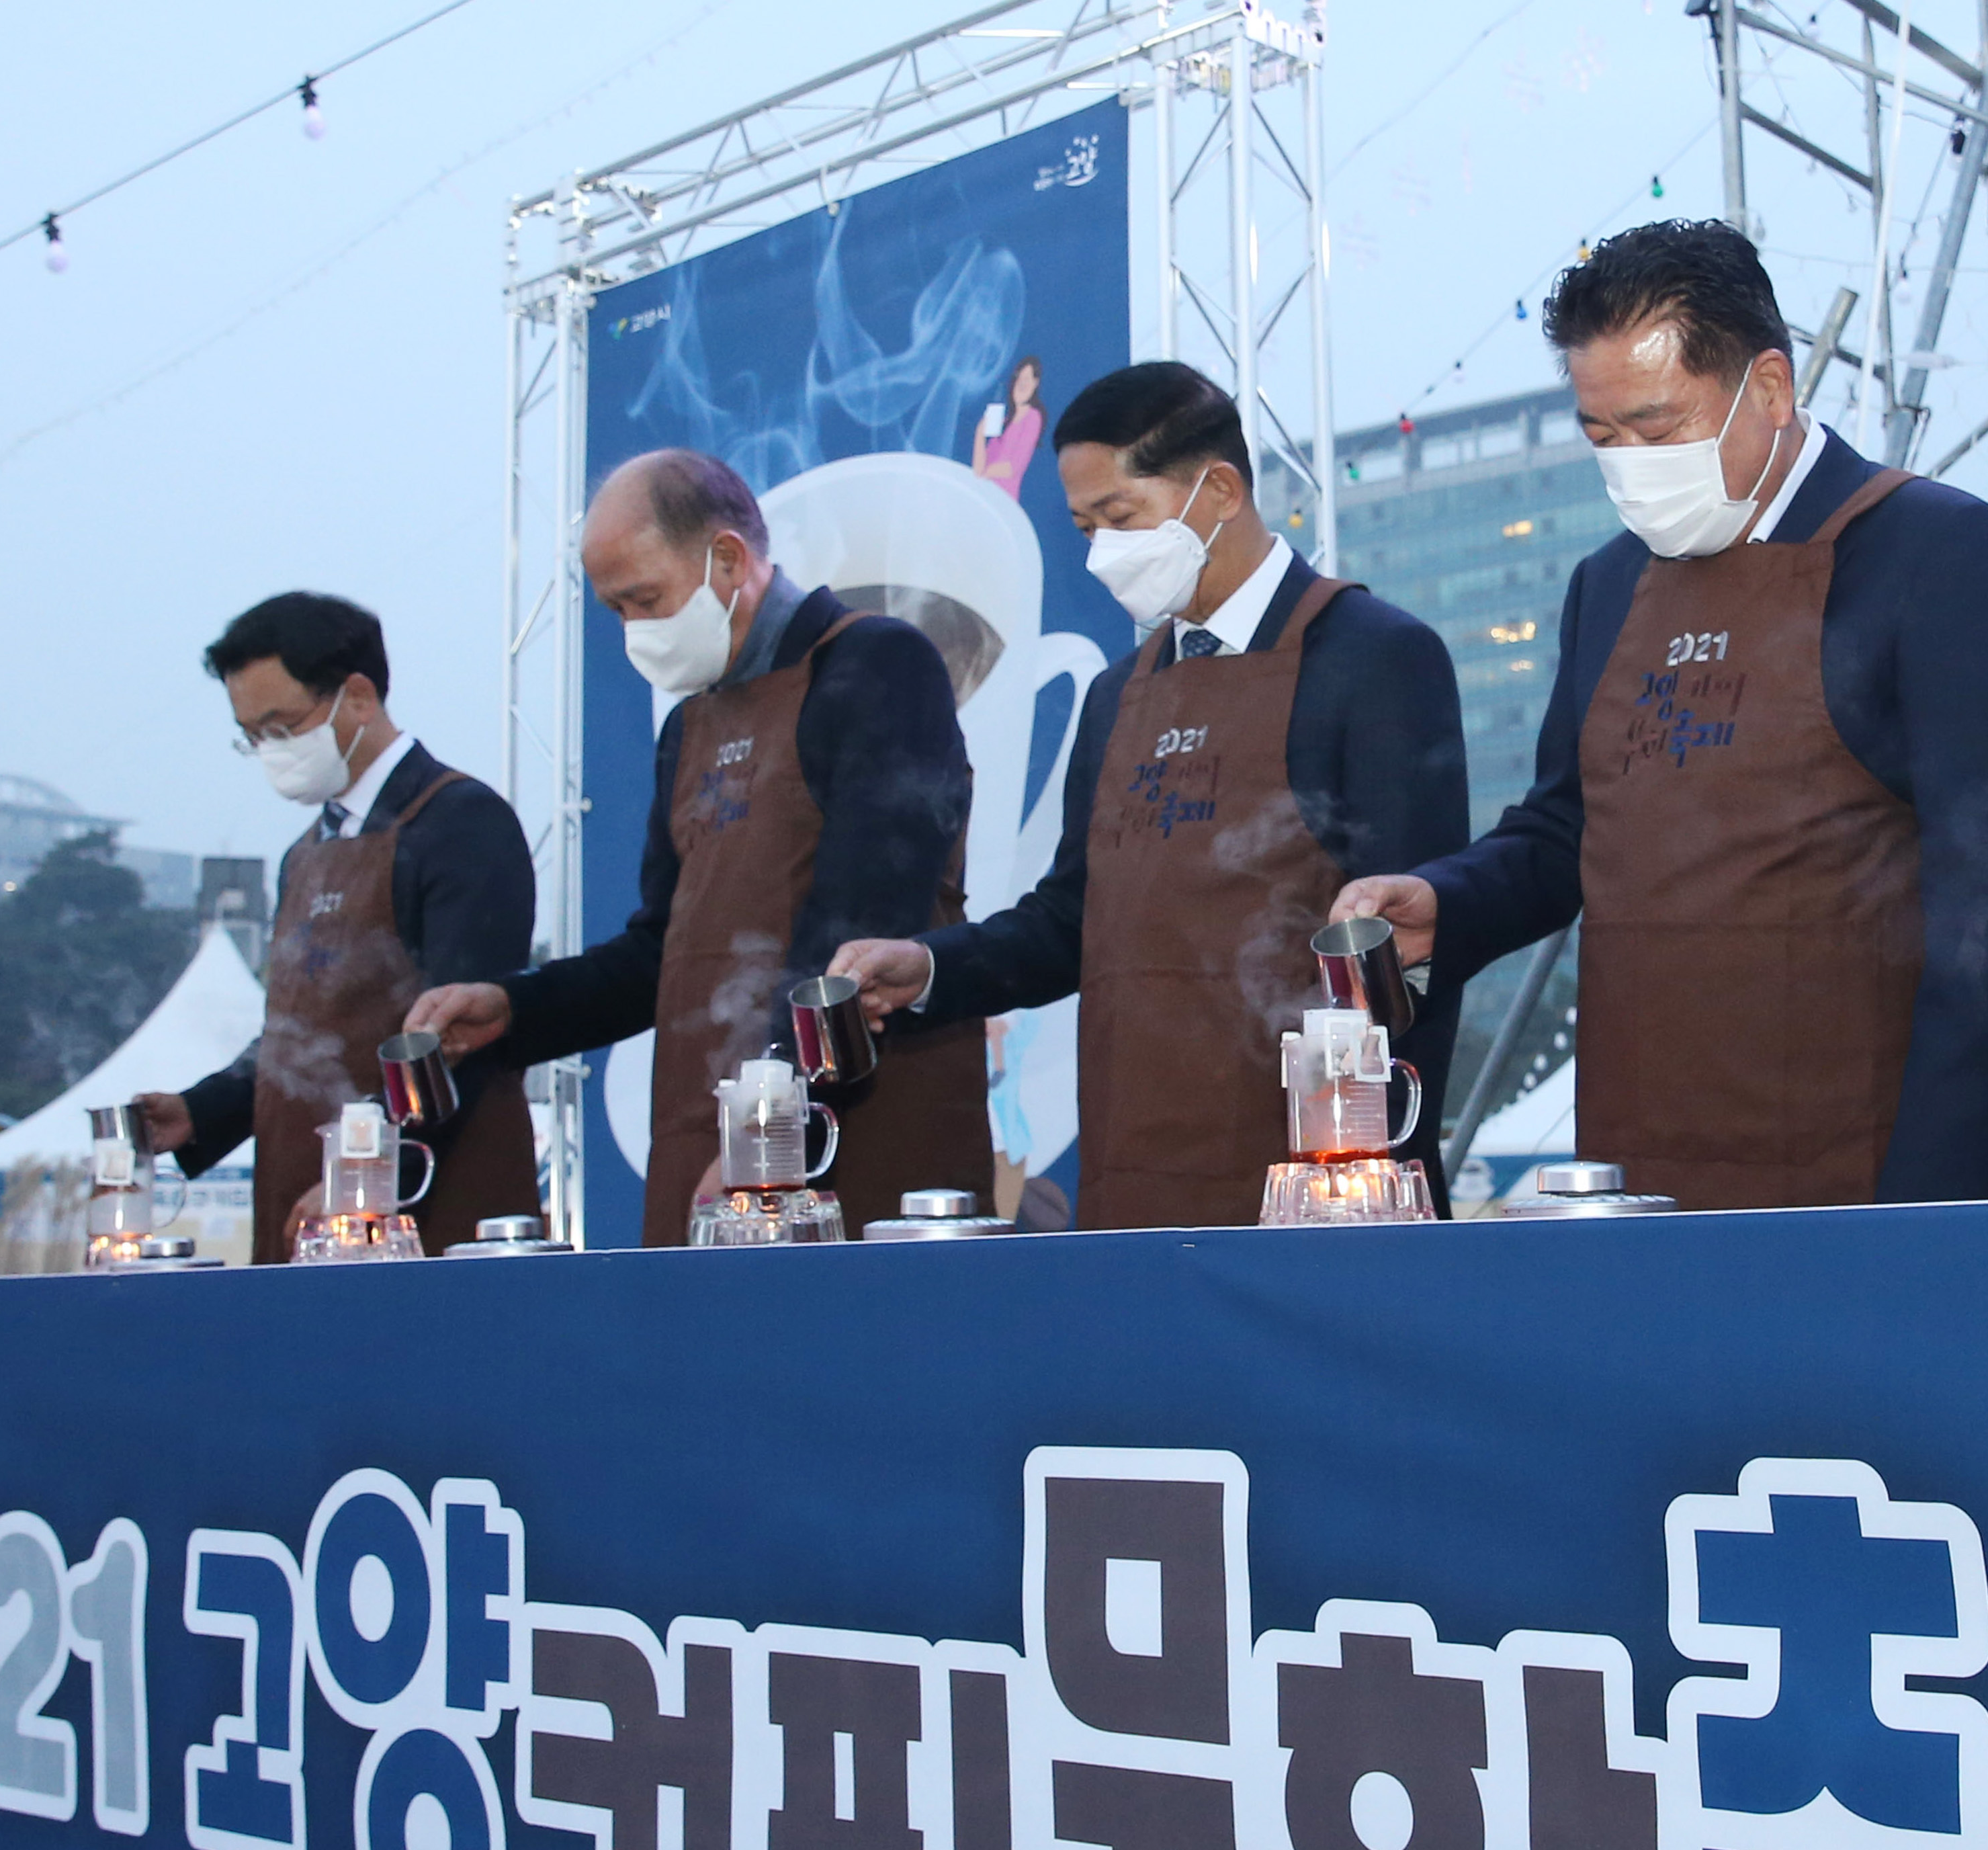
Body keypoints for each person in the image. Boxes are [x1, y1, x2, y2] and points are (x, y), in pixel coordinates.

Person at [1331, 222, 1988, 1208]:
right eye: (1602, 437)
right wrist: (1448, 903)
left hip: (1868, 1175)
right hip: (1644, 1175)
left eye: (1659, 428)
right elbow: (1565, 832)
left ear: (1770, 389)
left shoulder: (1935, 552)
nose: (1630, 463)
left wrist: (1927, 1211)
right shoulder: (1608, 585)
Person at [829, 360, 1471, 1230]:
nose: (1103, 552)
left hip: (1316, 1192)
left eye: (1121, 517)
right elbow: (1070, 921)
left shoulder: (1375, 657)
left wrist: (1373, 1164)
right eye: (1085, 526)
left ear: (1220, 490)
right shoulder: (1117, 695)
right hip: (1132, 1175)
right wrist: (932, 968)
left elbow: (1415, 953)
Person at [404, 450, 988, 1245]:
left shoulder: (877, 665)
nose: (633, 631)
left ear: (728, 560)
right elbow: (662, 952)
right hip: (709, 1137)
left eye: (645, 600)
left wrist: (765, 1128)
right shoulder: (689, 727)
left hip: (857, 1134)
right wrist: (514, 1010)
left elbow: (861, 928)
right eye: (615, 610)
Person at [135, 592, 543, 1261]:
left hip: (427, 1203)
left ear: (358, 697)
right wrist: (199, 1112)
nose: (269, 750)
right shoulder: (303, 855)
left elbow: (460, 1040)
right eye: (252, 736)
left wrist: (367, 1169)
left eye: (282, 726)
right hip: (303, 1192)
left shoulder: (460, 822)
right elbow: (298, 1038)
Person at [974, 357, 1047, 497]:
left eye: (1027, 379)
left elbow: (1013, 467)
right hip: (985, 495)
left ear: (1035, 384)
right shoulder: (1004, 422)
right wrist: (980, 432)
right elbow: (978, 470)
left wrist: (987, 472)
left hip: (1004, 498)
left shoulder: (1033, 417)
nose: (1022, 384)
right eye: (1019, 378)